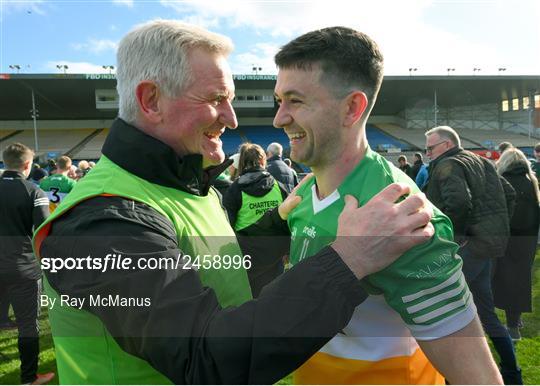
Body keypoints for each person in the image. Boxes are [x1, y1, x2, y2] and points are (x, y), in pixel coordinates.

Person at [32, 20, 435, 385]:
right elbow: (203, 359)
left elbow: (212, 269)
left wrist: (277, 224)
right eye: (216, 98)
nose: (232, 117)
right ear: (151, 100)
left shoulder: (181, 183)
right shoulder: (102, 222)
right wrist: (350, 259)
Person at [273, 26, 501, 385]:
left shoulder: (404, 218)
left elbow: (478, 378)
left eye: (295, 101)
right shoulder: (302, 198)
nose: (279, 118)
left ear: (352, 107)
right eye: (279, 100)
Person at [424, 125, 522, 384]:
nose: (427, 153)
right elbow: (509, 194)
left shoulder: (449, 165)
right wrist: (494, 230)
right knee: (485, 314)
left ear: (445, 145)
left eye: (430, 148)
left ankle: (455, 377)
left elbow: (457, 204)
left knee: (449, 317)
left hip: (468, 250)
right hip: (486, 249)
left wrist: (458, 239)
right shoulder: (480, 161)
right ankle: (512, 374)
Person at [0, 143, 53, 385]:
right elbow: (43, 230)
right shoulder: (34, 191)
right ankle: (29, 378)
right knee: (27, 325)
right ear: (27, 165)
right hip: (23, 268)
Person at [223, 143, 289, 297]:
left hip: (247, 259)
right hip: (275, 257)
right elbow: (289, 221)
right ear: (262, 161)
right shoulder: (279, 186)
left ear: (242, 162)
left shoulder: (234, 189)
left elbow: (227, 226)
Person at [493, 148, 540, 341]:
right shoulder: (531, 182)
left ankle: (511, 327)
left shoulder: (502, 182)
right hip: (528, 239)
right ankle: (514, 322)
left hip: (507, 237)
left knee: (502, 280)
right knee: (520, 279)